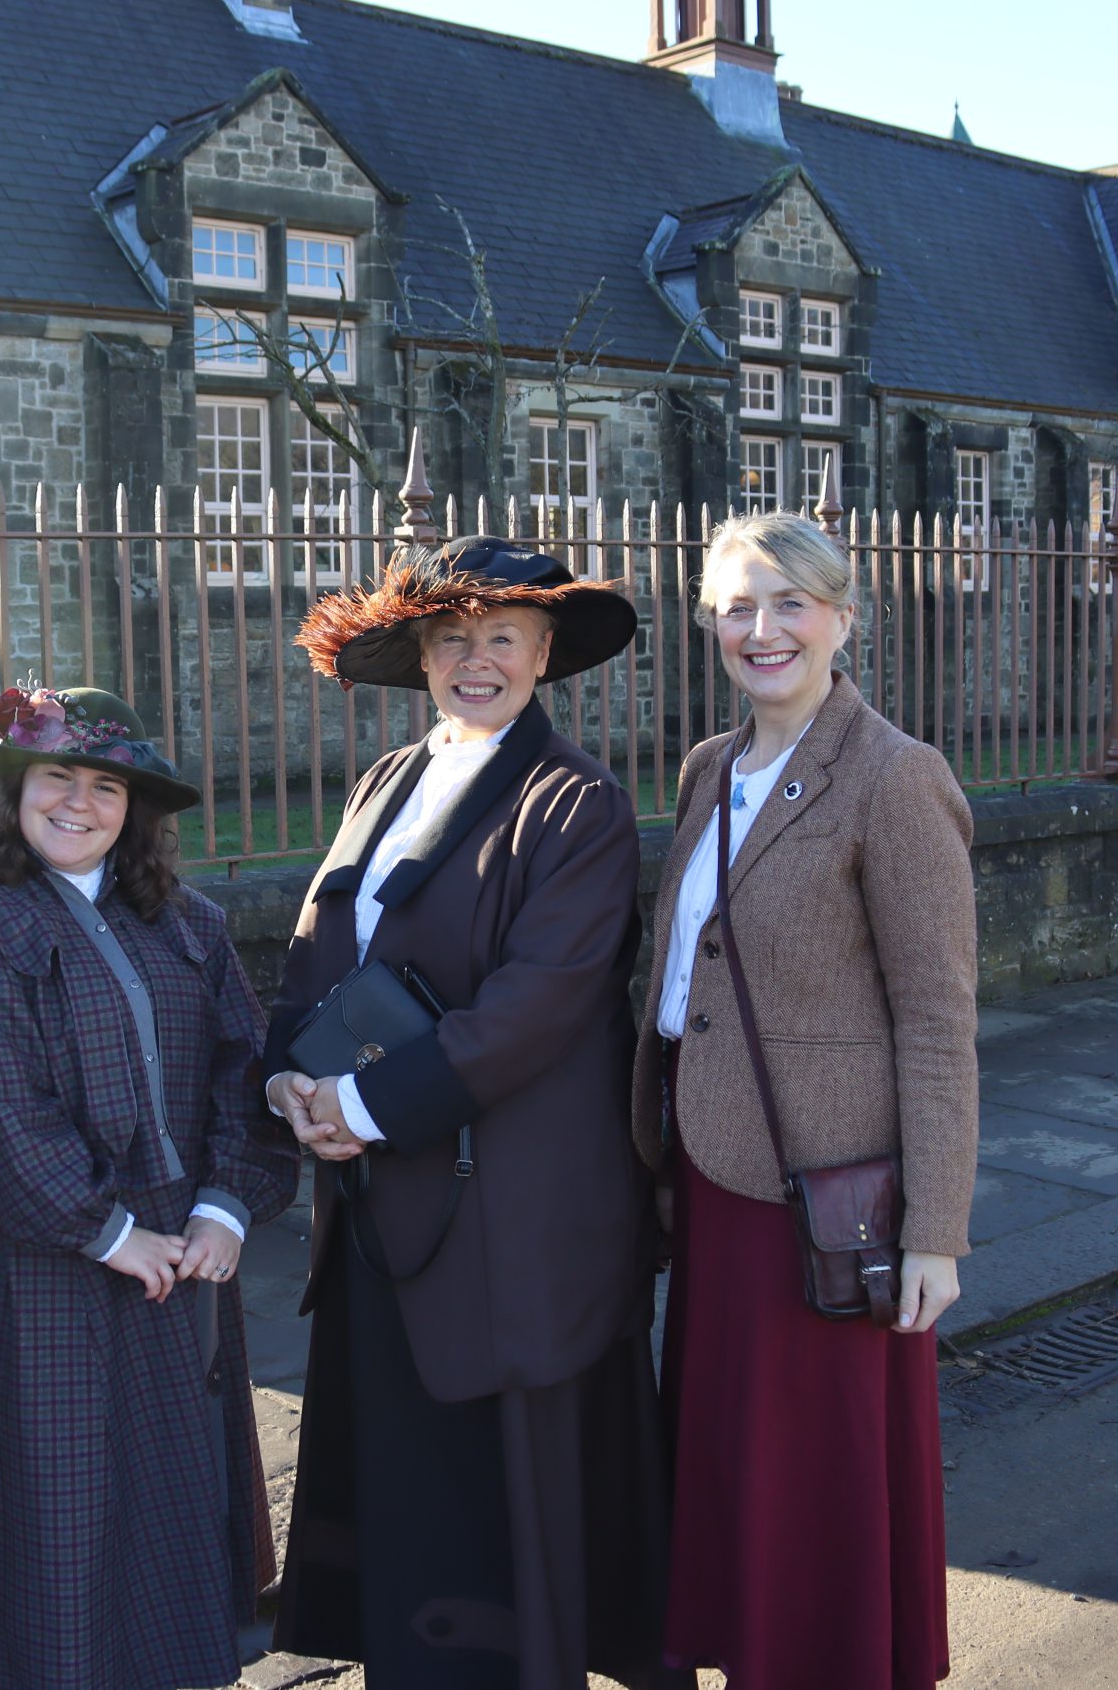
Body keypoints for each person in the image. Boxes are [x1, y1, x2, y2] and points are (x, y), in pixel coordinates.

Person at [268, 535, 685, 1690]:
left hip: (507, 1224)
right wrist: (285, 1080)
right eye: (452, 638)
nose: (475, 661)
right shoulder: (382, 784)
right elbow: (316, 956)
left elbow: (538, 1007)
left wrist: (358, 1103)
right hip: (375, 1206)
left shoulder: (577, 804)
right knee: (406, 1493)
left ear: (544, 653)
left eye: (501, 637)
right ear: (421, 654)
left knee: (496, 1515)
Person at [0, 684, 299, 1690]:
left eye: (105, 786)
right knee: (56, 1518)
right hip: (38, 1266)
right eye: (57, 778)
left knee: (165, 1506)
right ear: (13, 792)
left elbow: (243, 1073)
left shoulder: (185, 924)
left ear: (136, 809)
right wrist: (106, 1229)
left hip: (180, 1261)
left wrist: (224, 1207)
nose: (79, 803)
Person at [635, 511, 978, 1690]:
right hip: (713, 1180)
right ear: (708, 625)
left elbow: (938, 1021)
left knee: (817, 1484)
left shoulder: (895, 775)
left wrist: (935, 1231)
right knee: (734, 1472)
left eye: (789, 603)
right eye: (737, 605)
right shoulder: (706, 769)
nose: (762, 629)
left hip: (830, 1204)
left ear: (842, 615)